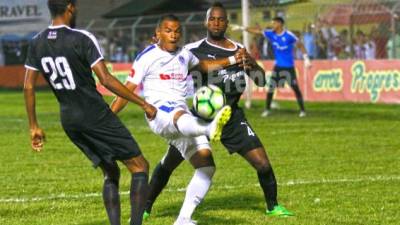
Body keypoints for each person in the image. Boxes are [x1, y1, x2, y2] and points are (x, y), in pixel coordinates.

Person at [141, 3, 294, 221]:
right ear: (206, 22)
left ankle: (273, 206)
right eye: (212, 19)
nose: (216, 23)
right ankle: (146, 207)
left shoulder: (238, 50)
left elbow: (260, 80)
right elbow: (169, 52)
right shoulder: (193, 49)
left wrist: (251, 63)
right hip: (198, 118)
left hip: (231, 116)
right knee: (169, 162)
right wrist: (157, 45)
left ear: (227, 23)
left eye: (221, 19)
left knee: (262, 163)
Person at [23, 1, 157, 225]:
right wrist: (142, 103)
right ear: (70, 7)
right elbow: (106, 79)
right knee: (140, 166)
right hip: (94, 114)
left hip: (69, 119)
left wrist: (34, 126)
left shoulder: (37, 42)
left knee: (110, 171)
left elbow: (28, 87)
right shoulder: (82, 38)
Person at [110, 14, 248, 225]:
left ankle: (183, 219)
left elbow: (203, 65)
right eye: (168, 30)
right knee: (179, 114)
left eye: (176, 31)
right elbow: (126, 90)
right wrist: (107, 119)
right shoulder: (147, 56)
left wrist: (231, 60)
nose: (173, 35)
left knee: (206, 166)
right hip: (158, 113)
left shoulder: (185, 54)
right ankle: (208, 128)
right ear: (158, 34)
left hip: (182, 119)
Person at [233, 16, 311, 117]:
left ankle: (302, 110)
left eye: (274, 23)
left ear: (280, 24)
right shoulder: (271, 34)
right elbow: (257, 31)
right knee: (271, 88)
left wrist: (306, 58)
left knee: (295, 88)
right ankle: (267, 109)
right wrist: (242, 28)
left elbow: (300, 45)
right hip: (278, 67)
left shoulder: (288, 35)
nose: (272, 25)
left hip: (289, 67)